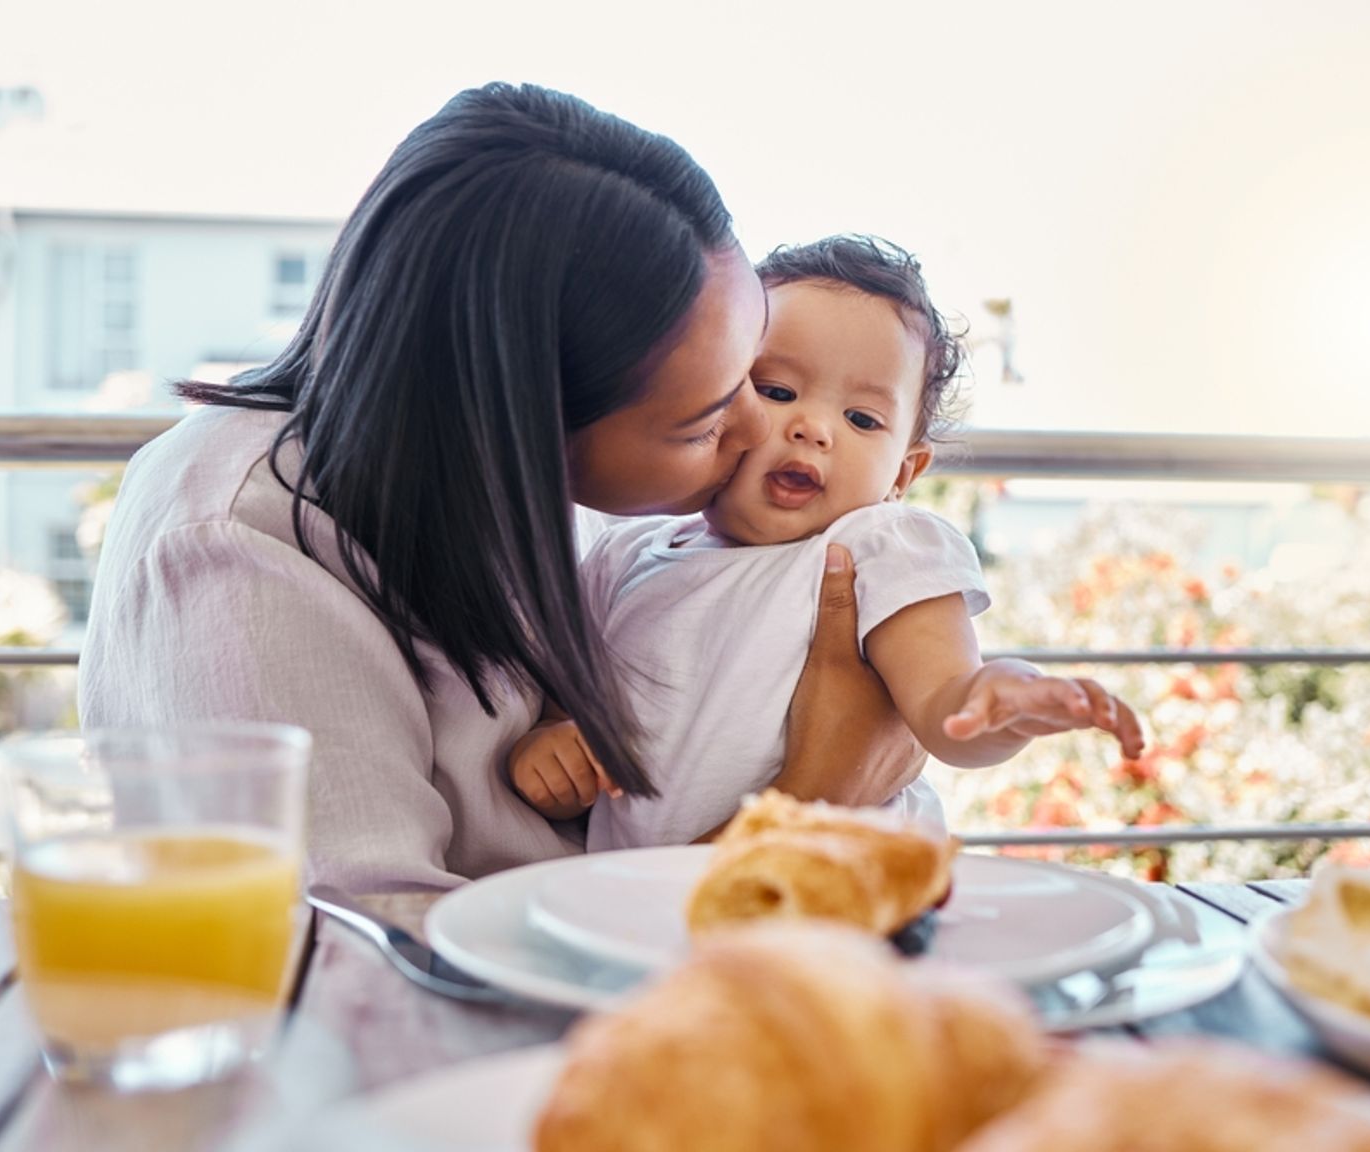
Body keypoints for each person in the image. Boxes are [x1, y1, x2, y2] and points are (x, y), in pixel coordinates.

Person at [77, 84, 923, 892]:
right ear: (527, 418)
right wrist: (813, 803)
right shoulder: (240, 553)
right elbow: (374, 952)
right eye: (705, 423)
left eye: (755, 375)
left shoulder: (511, 488)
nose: (760, 432)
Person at [507, 236, 1145, 850]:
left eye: (862, 419)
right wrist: (555, 749)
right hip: (645, 916)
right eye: (777, 391)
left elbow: (945, 712)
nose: (813, 429)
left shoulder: (880, 545)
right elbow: (569, 708)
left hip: (844, 889)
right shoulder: (625, 557)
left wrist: (999, 703)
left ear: (903, 473)